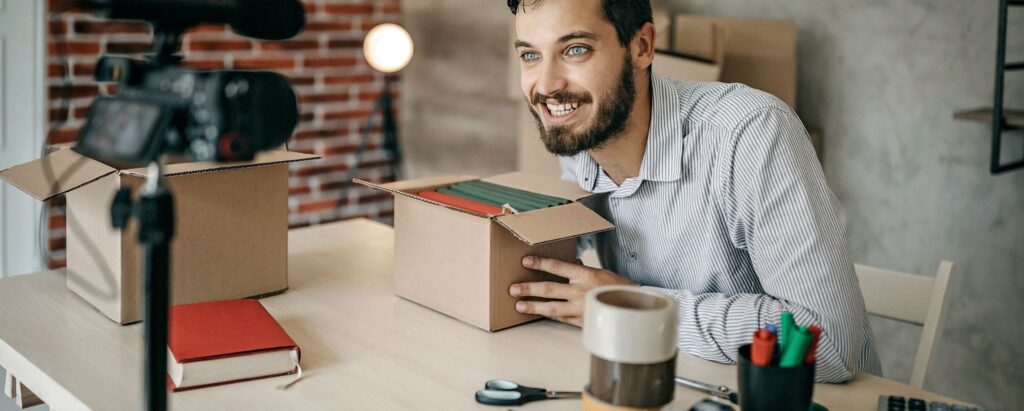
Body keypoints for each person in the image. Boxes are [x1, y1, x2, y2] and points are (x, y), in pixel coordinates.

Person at [504, 0, 881, 382]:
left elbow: (829, 342)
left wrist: (637, 307)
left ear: (642, 47)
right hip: (668, 383)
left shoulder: (750, 134)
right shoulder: (583, 134)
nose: (548, 85)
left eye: (575, 50)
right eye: (531, 55)